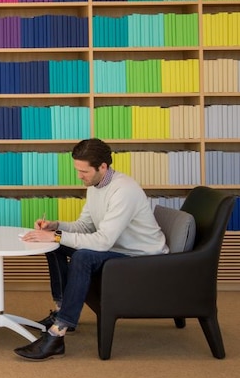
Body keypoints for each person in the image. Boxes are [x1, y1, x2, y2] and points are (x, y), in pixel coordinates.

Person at [14, 138, 168, 361]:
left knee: (83, 257)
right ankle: (61, 309)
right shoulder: (96, 185)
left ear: (102, 167)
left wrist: (56, 235)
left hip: (141, 256)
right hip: (119, 247)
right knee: (54, 245)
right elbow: (85, 226)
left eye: (83, 171)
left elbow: (103, 241)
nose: (79, 176)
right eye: (77, 170)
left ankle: (58, 333)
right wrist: (55, 227)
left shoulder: (123, 191)